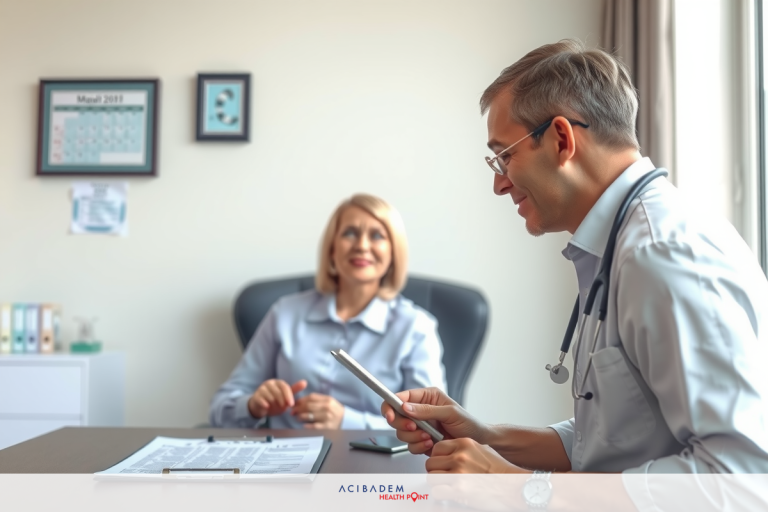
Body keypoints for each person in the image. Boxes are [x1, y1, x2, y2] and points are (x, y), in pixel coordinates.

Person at [383, 39, 768, 481]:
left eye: (504, 157)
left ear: (562, 139)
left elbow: (740, 475)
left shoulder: (660, 256)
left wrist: (517, 488)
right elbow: (607, 443)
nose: (500, 185)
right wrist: (486, 436)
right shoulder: (619, 246)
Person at [210, 193, 446, 429]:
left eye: (377, 236)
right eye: (350, 233)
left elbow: (431, 427)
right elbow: (219, 410)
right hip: (285, 461)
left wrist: (348, 422)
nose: (362, 246)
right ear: (332, 248)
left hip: (370, 463)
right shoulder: (285, 313)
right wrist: (253, 405)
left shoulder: (416, 328)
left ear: (393, 252)